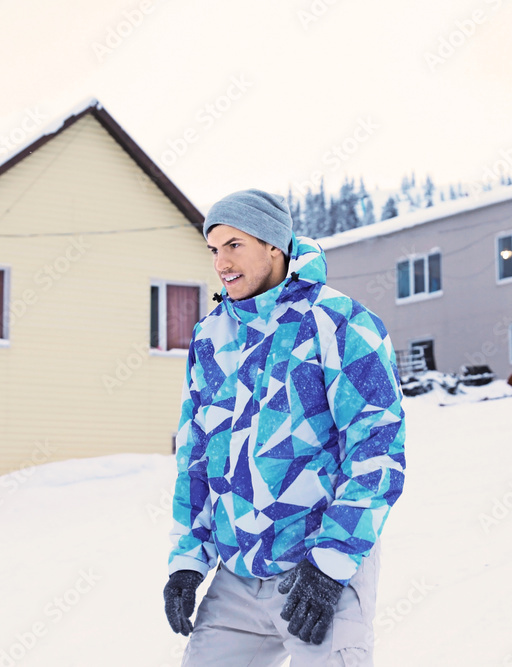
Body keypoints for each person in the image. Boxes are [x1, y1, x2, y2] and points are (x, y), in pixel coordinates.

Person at [162, 189, 406, 666]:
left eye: (235, 245)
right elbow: (196, 455)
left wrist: (331, 565)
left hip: (317, 570)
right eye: (214, 249)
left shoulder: (340, 322)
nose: (221, 263)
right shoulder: (211, 336)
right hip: (237, 575)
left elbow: (377, 450)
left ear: (274, 246)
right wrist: (189, 562)